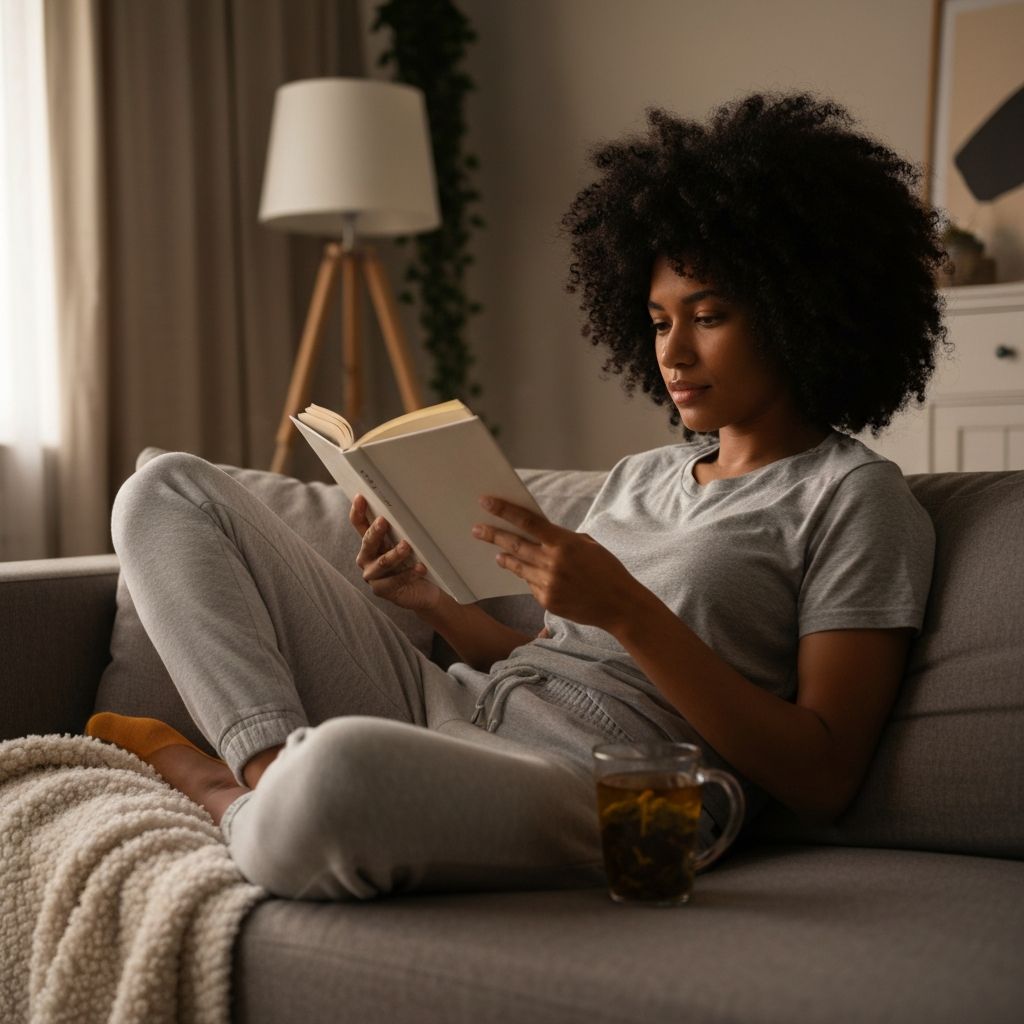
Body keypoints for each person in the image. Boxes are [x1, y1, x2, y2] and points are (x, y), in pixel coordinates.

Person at [87, 91, 944, 900]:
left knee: (339, 774)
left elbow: (825, 774)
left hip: (612, 784)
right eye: (657, 321)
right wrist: (432, 603)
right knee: (164, 492)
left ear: (805, 311)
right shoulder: (641, 476)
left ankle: (213, 784)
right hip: (457, 709)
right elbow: (537, 658)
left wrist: (631, 611)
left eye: (708, 315)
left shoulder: (854, 498)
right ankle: (264, 782)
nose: (672, 353)